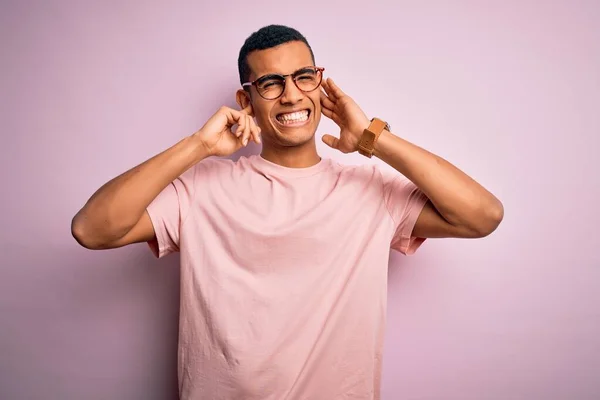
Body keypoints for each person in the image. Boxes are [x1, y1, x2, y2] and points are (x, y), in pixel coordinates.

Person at [71, 24, 503, 400]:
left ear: (321, 83)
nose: (292, 94)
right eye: (272, 83)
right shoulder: (201, 191)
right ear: (248, 98)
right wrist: (199, 146)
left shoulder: (371, 192)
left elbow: (482, 215)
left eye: (303, 77)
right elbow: (92, 230)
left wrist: (373, 137)